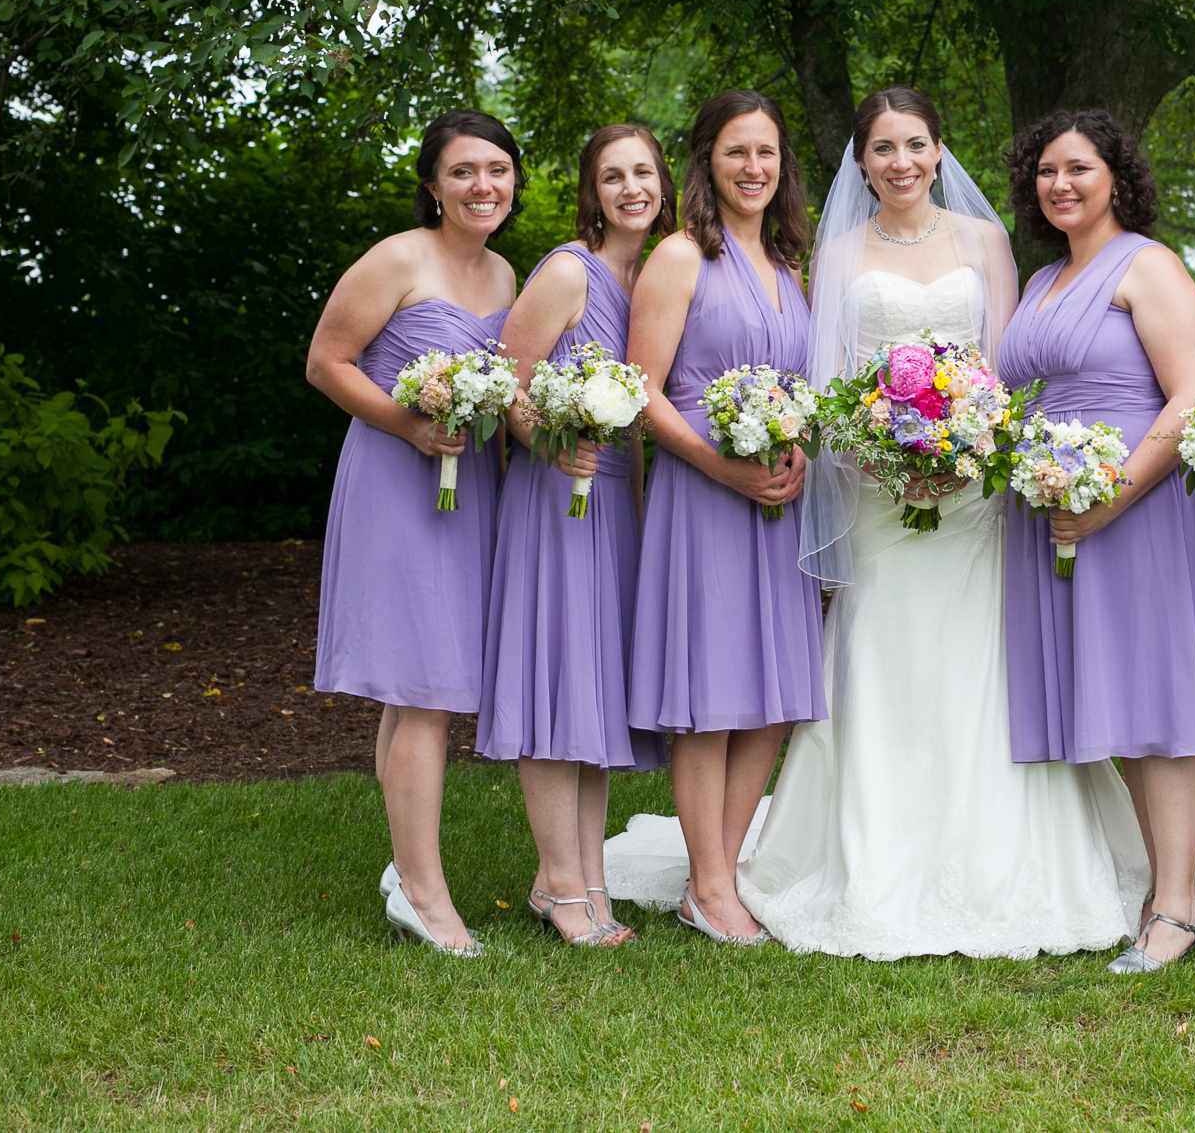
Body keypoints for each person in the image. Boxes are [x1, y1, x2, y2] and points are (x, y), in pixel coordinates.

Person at [736, 88, 1158, 960]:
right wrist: (887, 455)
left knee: (976, 656)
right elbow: (832, 380)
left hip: (974, 493)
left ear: (939, 152)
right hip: (877, 488)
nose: (900, 163)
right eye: (882, 149)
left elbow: (1006, 372)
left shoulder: (988, 243)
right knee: (884, 647)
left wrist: (965, 447)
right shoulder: (841, 252)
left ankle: (1005, 859)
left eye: (915, 145)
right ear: (861, 163)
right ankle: (866, 856)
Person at [999, 108, 1195, 974]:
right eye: (1046, 171)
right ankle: (1160, 881)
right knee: (1123, 705)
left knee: (1158, 707)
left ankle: (1176, 905)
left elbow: (1190, 398)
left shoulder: (1150, 266)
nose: (1061, 184)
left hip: (1137, 506)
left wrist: (1108, 500)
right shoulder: (1042, 281)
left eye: (1078, 168)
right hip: (1056, 506)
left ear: (1116, 175)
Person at [305, 110, 521, 955]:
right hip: (399, 481)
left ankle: (407, 869)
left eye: (497, 170)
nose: (482, 186)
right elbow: (326, 362)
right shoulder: (399, 257)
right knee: (425, 685)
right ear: (433, 183)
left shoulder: (506, 273)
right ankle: (427, 896)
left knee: (420, 685)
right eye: (463, 171)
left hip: (470, 493)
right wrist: (411, 425)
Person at [623, 93, 824, 945]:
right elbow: (640, 392)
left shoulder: (789, 267)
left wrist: (801, 448)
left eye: (767, 153)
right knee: (710, 692)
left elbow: (805, 387)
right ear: (707, 160)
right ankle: (710, 884)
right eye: (737, 152)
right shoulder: (680, 257)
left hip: (779, 500)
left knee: (776, 692)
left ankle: (721, 868)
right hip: (703, 495)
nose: (754, 168)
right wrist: (720, 466)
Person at [479, 123, 672, 948]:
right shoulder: (568, 271)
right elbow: (504, 384)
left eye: (644, 172)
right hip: (554, 502)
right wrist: (554, 444)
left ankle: (584, 877)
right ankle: (561, 885)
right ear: (591, 192)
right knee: (556, 685)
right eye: (613, 176)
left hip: (613, 509)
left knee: (591, 692)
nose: (632, 187)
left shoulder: (652, 278)